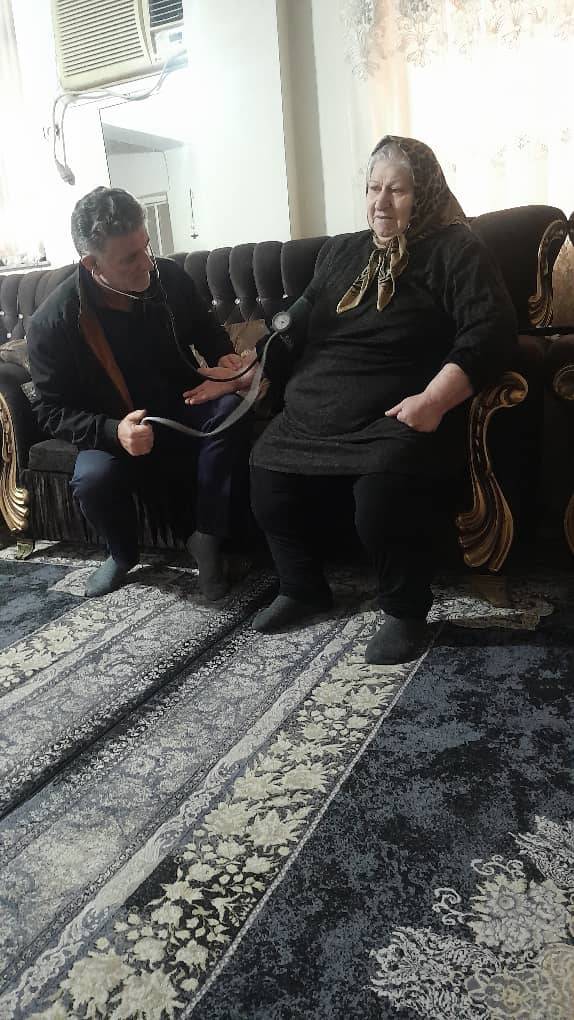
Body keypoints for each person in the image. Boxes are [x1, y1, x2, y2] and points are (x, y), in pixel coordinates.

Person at [176, 137, 518, 664]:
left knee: (381, 495)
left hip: (397, 413)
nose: (381, 202)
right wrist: (245, 373)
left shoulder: (456, 249)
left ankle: (404, 611)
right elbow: (293, 324)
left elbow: (490, 331)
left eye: (397, 190)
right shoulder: (342, 252)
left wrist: (433, 399)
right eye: (373, 188)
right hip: (312, 412)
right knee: (267, 470)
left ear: (424, 193)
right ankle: (302, 588)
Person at [27, 187, 251, 599]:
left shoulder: (168, 276)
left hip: (183, 403)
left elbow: (206, 328)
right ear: (91, 264)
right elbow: (50, 411)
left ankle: (206, 537)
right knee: (92, 479)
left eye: (146, 246)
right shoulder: (52, 322)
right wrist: (113, 431)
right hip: (117, 426)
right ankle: (121, 554)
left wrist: (223, 359)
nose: (147, 263)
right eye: (130, 258)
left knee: (231, 408)